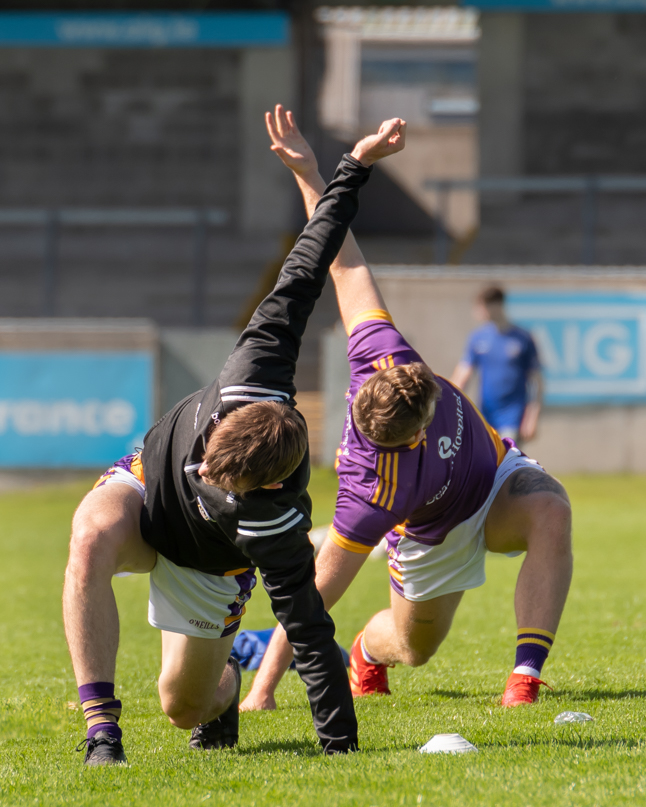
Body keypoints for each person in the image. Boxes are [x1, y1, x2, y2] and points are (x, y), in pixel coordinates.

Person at [62, 114, 407, 765]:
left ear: (262, 487)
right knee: (88, 535)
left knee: (185, 705)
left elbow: (308, 631)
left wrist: (341, 751)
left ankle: (226, 685)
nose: (207, 474)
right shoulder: (259, 360)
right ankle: (101, 729)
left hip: (208, 563)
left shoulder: (274, 521)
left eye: (221, 481)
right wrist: (352, 165)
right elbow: (312, 256)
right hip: (146, 488)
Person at [240, 106, 572, 714]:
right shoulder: (371, 496)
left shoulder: (383, 358)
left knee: (550, 508)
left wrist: (318, 171)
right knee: (415, 648)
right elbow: (311, 596)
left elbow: (342, 261)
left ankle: (526, 678)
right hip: (431, 534)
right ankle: (367, 652)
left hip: (492, 481)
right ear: (416, 437)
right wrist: (262, 692)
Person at [450, 287, 543, 444]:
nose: (478, 312)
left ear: (496, 306)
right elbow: (462, 376)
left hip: (513, 416)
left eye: (481, 307)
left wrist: (532, 417)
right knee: (486, 464)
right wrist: (447, 402)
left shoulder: (523, 338)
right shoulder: (478, 338)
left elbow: (537, 382)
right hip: (485, 415)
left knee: (506, 460)